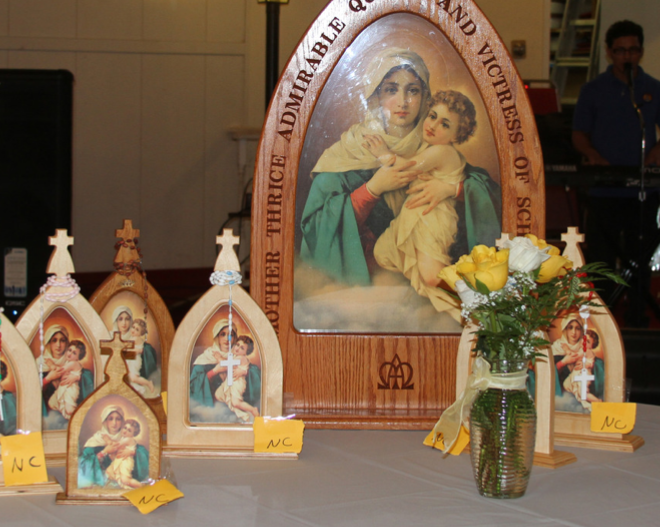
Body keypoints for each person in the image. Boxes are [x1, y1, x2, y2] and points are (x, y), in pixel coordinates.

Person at [299, 48, 501, 292]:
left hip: (420, 288)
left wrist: (453, 189)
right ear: (376, 96)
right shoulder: (350, 151)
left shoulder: (436, 144)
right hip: (363, 290)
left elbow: (488, 194)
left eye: (413, 91)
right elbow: (316, 228)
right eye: (391, 90)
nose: (403, 102)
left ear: (425, 97)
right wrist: (373, 189)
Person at [572, 20, 660, 324]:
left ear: (641, 52)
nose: (627, 56)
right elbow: (579, 134)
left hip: (642, 190)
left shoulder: (654, 89)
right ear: (610, 53)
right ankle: (602, 323)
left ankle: (638, 320)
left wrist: (657, 151)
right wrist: (593, 155)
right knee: (602, 260)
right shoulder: (593, 90)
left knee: (639, 259)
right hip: (605, 190)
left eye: (633, 50)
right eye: (621, 51)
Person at [367, 90, 478, 319]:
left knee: (431, 275)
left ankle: (473, 310)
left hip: (433, 218)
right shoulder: (432, 149)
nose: (433, 125)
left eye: (445, 124)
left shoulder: (443, 151)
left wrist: (383, 154)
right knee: (385, 252)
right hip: (418, 215)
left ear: (457, 134)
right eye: (432, 116)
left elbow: (408, 169)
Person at [189, 319, 261, 421]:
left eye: (231, 335)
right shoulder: (206, 357)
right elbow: (194, 385)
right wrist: (215, 371)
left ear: (235, 338)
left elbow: (255, 374)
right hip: (212, 410)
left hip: (234, 404)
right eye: (223, 334)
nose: (227, 339)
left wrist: (245, 372)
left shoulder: (238, 355)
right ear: (217, 337)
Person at [78, 404, 149, 488]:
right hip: (102, 480)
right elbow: (84, 465)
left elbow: (144, 456)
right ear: (105, 421)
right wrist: (104, 452)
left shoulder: (127, 438)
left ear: (122, 422)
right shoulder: (96, 439)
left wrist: (132, 452)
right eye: (110, 419)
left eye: (118, 419)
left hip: (122, 475)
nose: (114, 423)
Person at [37, 324, 94, 425]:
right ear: (48, 342)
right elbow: (31, 390)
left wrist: (77, 377)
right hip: (47, 416)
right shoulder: (40, 363)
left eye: (62, 340)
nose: (58, 345)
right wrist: (48, 379)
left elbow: (88, 379)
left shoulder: (71, 362)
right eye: (54, 340)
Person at [214, 335, 261, 423]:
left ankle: (253, 409)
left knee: (235, 402)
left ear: (246, 352)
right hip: (231, 381)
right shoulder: (236, 356)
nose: (238, 348)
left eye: (242, 348)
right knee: (218, 394)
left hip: (237, 383)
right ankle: (242, 414)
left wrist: (219, 358)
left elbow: (228, 365)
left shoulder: (241, 358)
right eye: (237, 345)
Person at [111, 306, 158, 393]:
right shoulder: (110, 335)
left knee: (132, 377)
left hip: (133, 363)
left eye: (127, 319)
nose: (124, 323)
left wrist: (139, 351)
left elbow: (143, 349)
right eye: (120, 319)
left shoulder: (134, 337)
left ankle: (147, 384)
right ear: (115, 320)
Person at [48, 340, 86, 420]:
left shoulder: (73, 363)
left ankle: (81, 417)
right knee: (52, 403)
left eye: (74, 353)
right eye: (69, 350)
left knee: (69, 410)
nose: (70, 354)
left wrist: (51, 365)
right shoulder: (68, 362)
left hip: (70, 389)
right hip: (64, 388)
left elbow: (60, 370)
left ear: (78, 357)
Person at [103, 419, 144, 489]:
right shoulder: (123, 438)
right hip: (119, 460)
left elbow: (116, 445)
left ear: (133, 434)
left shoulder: (129, 439)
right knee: (108, 472)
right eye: (125, 428)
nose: (125, 431)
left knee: (125, 480)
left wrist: (108, 440)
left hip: (125, 461)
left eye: (129, 430)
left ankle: (142, 486)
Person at [126, 318, 156, 397]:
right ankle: (137, 390)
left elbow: (129, 347)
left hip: (134, 361)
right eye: (133, 327)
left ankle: (148, 383)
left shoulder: (136, 339)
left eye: (137, 329)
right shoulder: (132, 338)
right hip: (130, 359)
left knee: (133, 378)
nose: (134, 330)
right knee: (129, 377)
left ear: (140, 333)